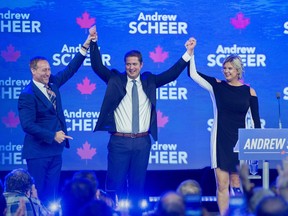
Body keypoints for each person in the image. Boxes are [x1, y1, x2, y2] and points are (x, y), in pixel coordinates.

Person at [88, 24, 192, 209]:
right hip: (119, 142)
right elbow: (97, 66)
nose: (131, 67)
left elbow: (171, 75)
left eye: (135, 64)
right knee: (113, 187)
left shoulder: (149, 81)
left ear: (141, 65)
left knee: (137, 189)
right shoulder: (115, 79)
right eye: (128, 64)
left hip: (142, 142)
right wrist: (94, 42)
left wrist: (187, 54)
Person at [18, 32, 95, 206]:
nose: (48, 73)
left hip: (55, 151)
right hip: (38, 153)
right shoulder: (27, 95)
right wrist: (53, 135)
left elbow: (70, 69)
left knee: (51, 197)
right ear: (33, 70)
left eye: (49, 69)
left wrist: (86, 45)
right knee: (38, 196)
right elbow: (27, 125)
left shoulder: (52, 83)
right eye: (44, 70)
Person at [187, 37, 261, 215]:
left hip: (239, 142)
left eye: (230, 68)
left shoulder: (249, 91)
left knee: (236, 184)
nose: (226, 71)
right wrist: (191, 52)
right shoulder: (217, 86)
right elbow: (193, 74)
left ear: (238, 71)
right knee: (222, 184)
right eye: (224, 68)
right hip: (220, 141)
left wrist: (256, 150)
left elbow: (256, 122)